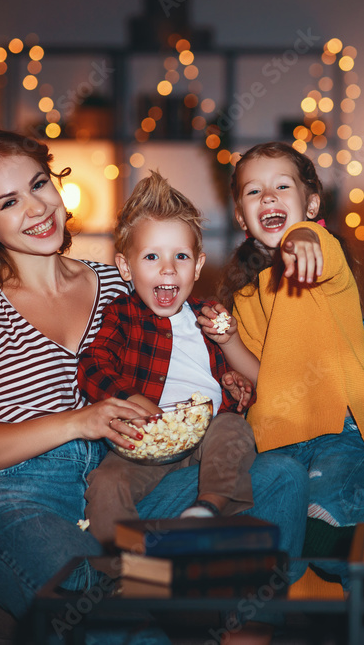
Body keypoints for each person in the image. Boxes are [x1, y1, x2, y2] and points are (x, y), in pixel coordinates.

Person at [0, 129, 307, 635]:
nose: (37, 208)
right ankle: (167, 595)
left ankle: (227, 620)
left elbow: (183, 337)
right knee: (109, 611)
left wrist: (224, 372)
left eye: (39, 185)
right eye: (9, 201)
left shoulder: (115, 283)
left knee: (283, 477)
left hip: (121, 481)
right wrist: (80, 421)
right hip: (18, 495)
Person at [209, 142, 364, 529]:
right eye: (254, 191)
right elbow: (261, 376)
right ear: (241, 216)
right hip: (274, 434)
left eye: (282, 187)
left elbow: (317, 246)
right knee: (262, 504)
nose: (268, 196)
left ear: (312, 206)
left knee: (323, 508)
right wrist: (228, 339)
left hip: (340, 426)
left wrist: (305, 237)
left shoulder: (322, 255)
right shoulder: (246, 292)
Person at [78, 171, 258, 548]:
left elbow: (236, 378)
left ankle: (206, 510)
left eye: (180, 256)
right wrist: (128, 400)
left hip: (207, 431)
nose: (167, 268)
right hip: (143, 444)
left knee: (234, 431)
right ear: (126, 268)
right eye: (151, 257)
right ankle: (123, 568)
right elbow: (93, 364)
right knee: (105, 482)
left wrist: (234, 385)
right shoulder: (123, 315)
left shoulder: (210, 316)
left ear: (197, 265)